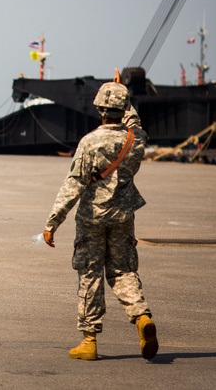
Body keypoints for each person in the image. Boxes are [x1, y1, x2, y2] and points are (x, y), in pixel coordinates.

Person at [42, 82, 158, 361]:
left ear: (100, 109)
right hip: (123, 215)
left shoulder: (90, 141)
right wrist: (123, 92)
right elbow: (134, 120)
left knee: (90, 273)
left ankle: (89, 340)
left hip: (92, 217)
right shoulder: (136, 138)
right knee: (122, 270)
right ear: (122, 108)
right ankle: (141, 316)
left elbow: (74, 184)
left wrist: (52, 222)